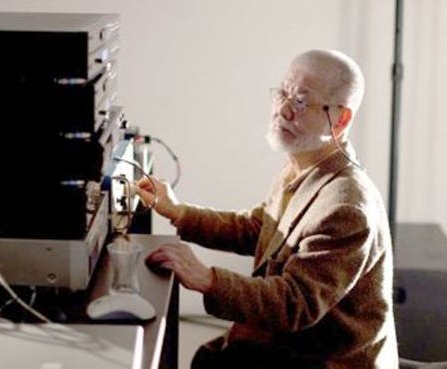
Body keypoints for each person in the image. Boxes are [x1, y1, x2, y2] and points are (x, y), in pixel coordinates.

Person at [135, 50, 399, 368]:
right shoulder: (304, 168)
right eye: (284, 93)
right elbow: (260, 228)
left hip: (328, 361)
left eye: (301, 101)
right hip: (295, 346)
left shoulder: (347, 208)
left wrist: (208, 279)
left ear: (340, 119)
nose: (284, 110)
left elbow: (295, 302)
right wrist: (179, 212)